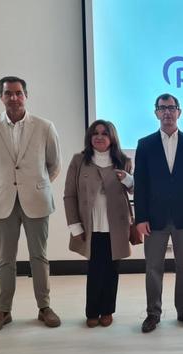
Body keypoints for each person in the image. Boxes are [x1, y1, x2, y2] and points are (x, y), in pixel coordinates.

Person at [0, 76, 62, 333]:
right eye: (8, 93)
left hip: (36, 200)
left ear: (26, 95)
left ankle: (44, 307)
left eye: (18, 93)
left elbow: (53, 165)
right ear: (1, 97)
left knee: (39, 257)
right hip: (3, 201)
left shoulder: (45, 126)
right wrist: (5, 185)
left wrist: (32, 184)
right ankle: (4, 310)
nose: (13, 98)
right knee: (5, 260)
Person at [134, 93, 183, 332]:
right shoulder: (145, 144)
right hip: (154, 218)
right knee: (153, 266)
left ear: (179, 112)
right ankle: (153, 313)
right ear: (156, 112)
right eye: (162, 108)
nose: (167, 112)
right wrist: (140, 218)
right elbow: (141, 184)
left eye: (171, 108)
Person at [63, 120, 134, 328]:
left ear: (112, 137)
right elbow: (69, 195)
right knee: (94, 270)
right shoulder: (79, 160)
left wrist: (128, 179)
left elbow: (134, 189)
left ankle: (107, 311)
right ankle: (92, 311)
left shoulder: (123, 160)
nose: (99, 137)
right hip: (91, 226)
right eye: (95, 133)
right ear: (90, 137)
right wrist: (74, 225)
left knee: (112, 270)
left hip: (116, 226)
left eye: (104, 133)